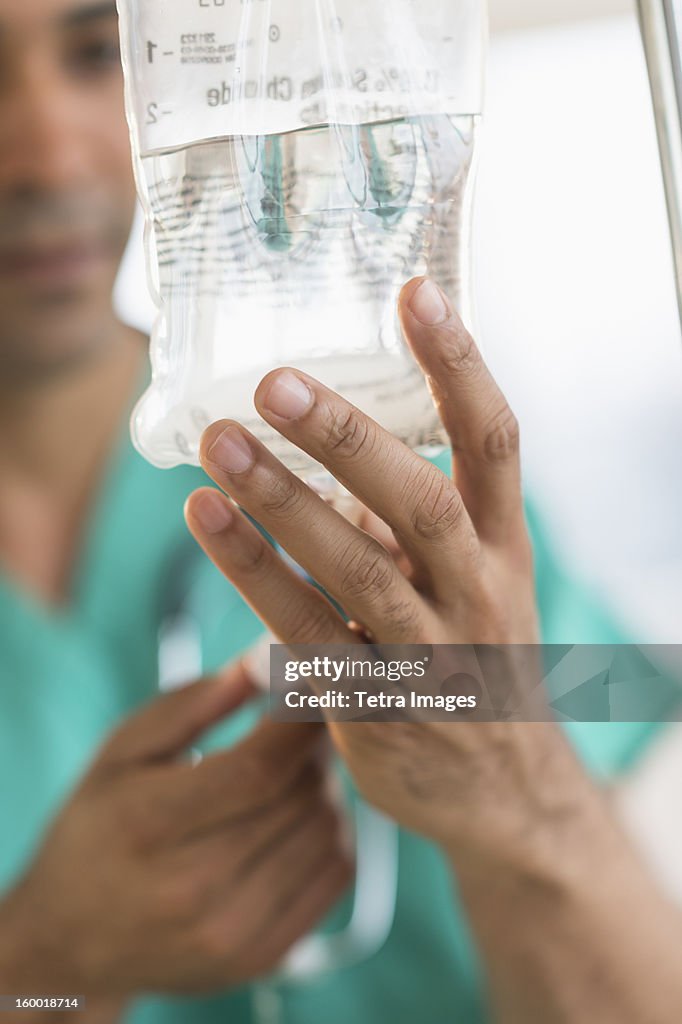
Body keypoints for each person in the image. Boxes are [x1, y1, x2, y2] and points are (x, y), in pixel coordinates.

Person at [0, 1, 675, 1022]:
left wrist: (522, 791)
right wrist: (44, 958)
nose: (45, 158)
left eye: (98, 53)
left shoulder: (414, 501)